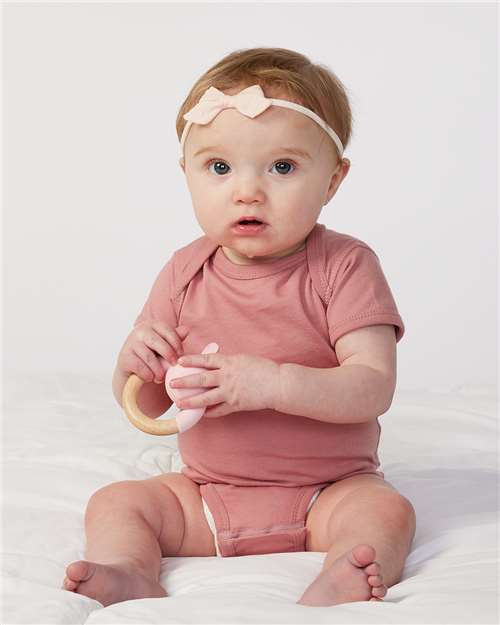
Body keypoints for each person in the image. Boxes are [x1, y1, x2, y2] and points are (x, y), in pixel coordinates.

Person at [62, 47, 416, 608]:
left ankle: (342, 575)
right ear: (187, 175)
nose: (247, 191)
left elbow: (373, 385)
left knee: (385, 512)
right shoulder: (184, 272)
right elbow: (150, 404)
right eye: (220, 168)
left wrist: (273, 383)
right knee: (116, 502)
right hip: (206, 497)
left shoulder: (344, 266)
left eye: (283, 167)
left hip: (328, 493)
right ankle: (129, 569)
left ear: (332, 180)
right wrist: (135, 365)